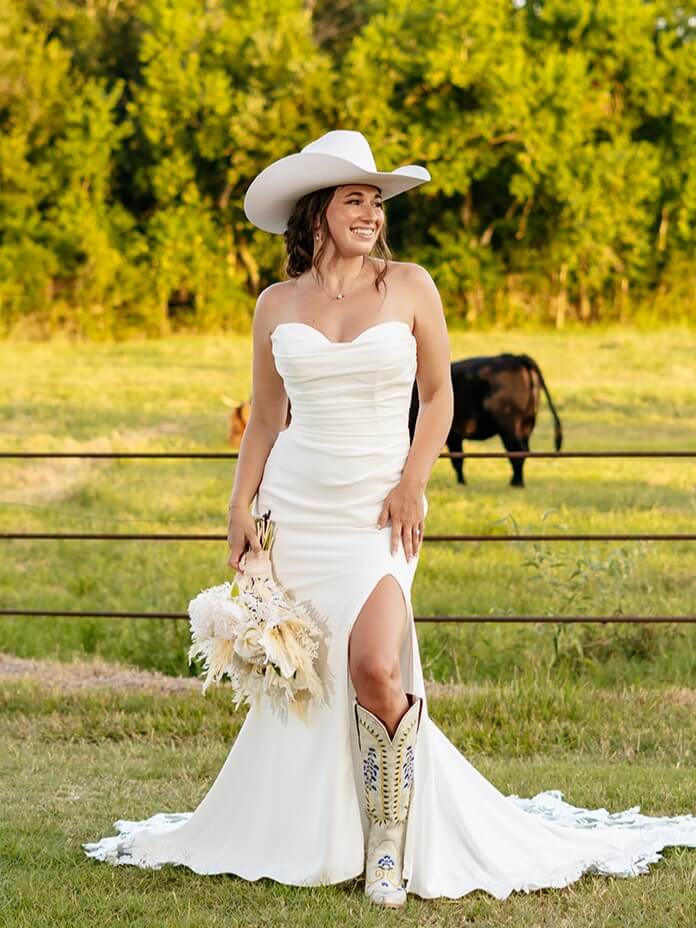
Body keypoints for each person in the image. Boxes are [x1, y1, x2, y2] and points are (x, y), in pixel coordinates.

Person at [83, 130, 696, 907]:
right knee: (315, 677)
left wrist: (414, 483)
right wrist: (239, 504)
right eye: (355, 199)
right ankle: (327, 832)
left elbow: (439, 397)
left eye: (377, 201)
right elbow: (267, 422)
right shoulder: (276, 304)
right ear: (318, 211)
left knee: (375, 664)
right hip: (295, 509)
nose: (371, 213)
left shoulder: (410, 285)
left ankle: (388, 845)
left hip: (379, 510)